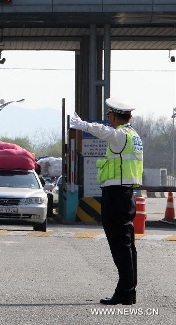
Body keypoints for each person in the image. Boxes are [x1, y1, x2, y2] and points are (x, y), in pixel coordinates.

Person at [70, 98, 143, 306]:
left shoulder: (120, 135)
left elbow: (104, 132)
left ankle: (125, 292)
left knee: (120, 245)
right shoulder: (134, 136)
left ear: (114, 116)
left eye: (109, 116)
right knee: (127, 245)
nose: (108, 119)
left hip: (117, 195)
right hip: (127, 195)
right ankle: (128, 291)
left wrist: (83, 125)